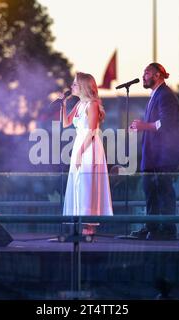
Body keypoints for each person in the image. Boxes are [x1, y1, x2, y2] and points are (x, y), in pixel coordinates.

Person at [129, 63, 179, 240]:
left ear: (158, 75)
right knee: (150, 191)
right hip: (153, 155)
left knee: (163, 192)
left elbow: (165, 122)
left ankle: (167, 229)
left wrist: (143, 126)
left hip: (164, 156)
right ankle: (151, 226)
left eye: (147, 73)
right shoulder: (157, 94)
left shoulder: (166, 95)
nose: (143, 76)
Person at [60, 72, 113, 235]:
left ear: (83, 86)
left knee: (87, 184)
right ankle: (80, 224)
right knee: (78, 183)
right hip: (79, 143)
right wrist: (63, 104)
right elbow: (66, 123)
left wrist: (80, 153)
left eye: (75, 84)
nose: (72, 86)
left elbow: (91, 130)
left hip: (89, 146)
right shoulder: (79, 104)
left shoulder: (92, 104)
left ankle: (89, 228)